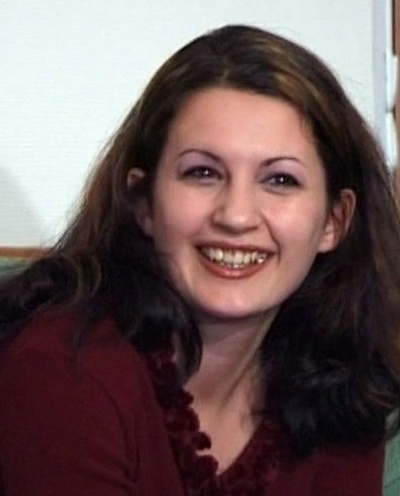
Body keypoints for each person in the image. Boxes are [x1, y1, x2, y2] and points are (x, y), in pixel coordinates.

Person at [1, 25, 400, 496]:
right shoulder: (62, 366)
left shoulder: (341, 388)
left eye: (280, 180)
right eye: (203, 173)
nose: (236, 216)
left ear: (334, 221)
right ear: (144, 203)